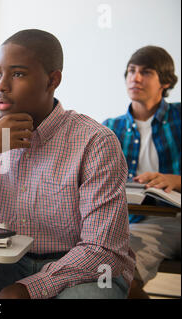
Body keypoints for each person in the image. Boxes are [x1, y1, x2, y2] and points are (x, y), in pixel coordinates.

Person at [0, 29, 135, 299]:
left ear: (53, 80)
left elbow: (103, 250)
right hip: (5, 261)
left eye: (17, 74)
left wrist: (30, 289)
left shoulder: (96, 141)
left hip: (85, 267)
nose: (1, 86)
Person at [103, 46, 180, 299]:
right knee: (119, 278)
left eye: (145, 72)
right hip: (140, 223)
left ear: (165, 82)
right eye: (131, 71)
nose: (135, 78)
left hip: (176, 217)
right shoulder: (110, 128)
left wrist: (175, 180)